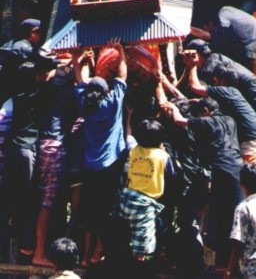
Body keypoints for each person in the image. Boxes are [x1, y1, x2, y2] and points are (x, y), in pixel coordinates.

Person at [162, 96, 244, 273]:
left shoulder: (207, 123)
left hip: (222, 172)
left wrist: (172, 107)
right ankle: (230, 263)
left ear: (206, 112)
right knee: (235, 216)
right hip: (238, 169)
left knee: (220, 219)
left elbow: (178, 120)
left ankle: (221, 265)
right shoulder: (230, 119)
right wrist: (195, 101)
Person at [72, 39, 127, 267]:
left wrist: (77, 60)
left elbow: (79, 81)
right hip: (110, 166)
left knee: (89, 211)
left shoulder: (85, 104)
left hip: (89, 166)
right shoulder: (112, 103)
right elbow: (122, 77)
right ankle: (96, 253)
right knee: (106, 210)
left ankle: (85, 257)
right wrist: (121, 52)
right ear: (105, 92)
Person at [0, 55, 58, 262]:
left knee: (9, 197)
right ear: (38, 76)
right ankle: (26, 246)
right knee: (27, 198)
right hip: (26, 152)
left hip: (11, 151)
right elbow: (52, 79)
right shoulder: (40, 94)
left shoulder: (15, 95)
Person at [32, 61, 80, 267]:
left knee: (41, 200)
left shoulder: (44, 90)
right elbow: (83, 88)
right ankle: (39, 253)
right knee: (48, 203)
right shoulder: (69, 95)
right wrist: (79, 64)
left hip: (40, 145)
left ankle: (36, 248)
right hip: (54, 147)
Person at [118, 117, 174, 277]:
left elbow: (128, 136)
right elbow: (172, 175)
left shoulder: (133, 149)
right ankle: (138, 273)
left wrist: (129, 118)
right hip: (144, 205)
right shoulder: (163, 156)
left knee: (130, 236)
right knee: (142, 248)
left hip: (127, 198)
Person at [182, 38, 256, 122]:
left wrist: (191, 65)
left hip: (254, 91)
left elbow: (198, 88)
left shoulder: (209, 67)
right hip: (250, 89)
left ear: (196, 54)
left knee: (254, 121)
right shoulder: (214, 58)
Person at [190, 6, 256, 76]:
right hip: (255, 41)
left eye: (204, 29)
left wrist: (186, 27)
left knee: (248, 50)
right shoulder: (226, 13)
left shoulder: (223, 16)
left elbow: (209, 35)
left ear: (210, 24)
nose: (206, 31)